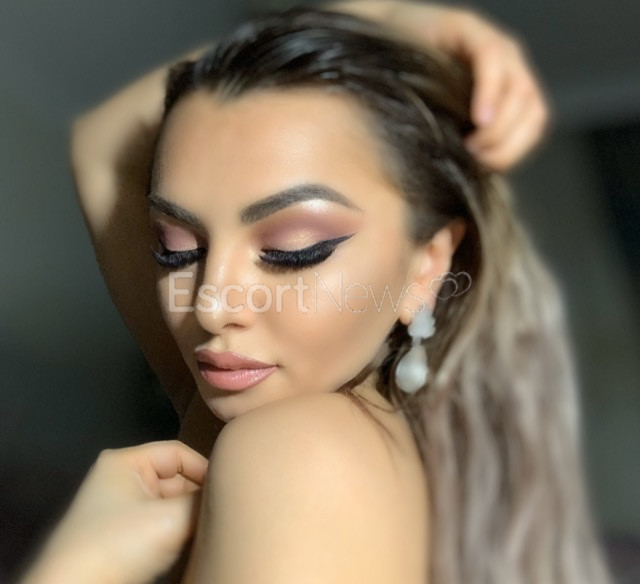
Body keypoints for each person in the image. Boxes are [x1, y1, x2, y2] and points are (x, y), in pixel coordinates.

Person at [24, 2, 602, 584]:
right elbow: (102, 145)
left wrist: (77, 567)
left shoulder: (294, 450)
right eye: (177, 248)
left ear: (427, 264)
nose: (210, 306)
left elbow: (103, 146)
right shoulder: (245, 412)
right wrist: (380, 21)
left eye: (292, 250)